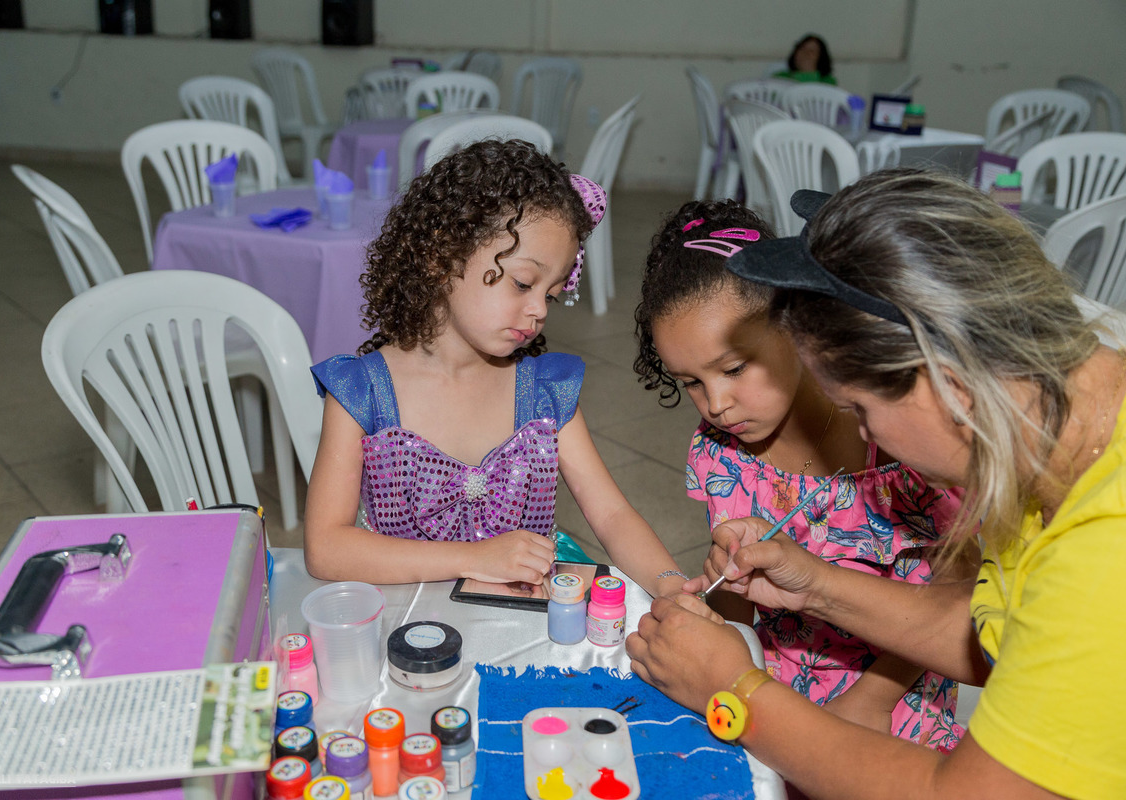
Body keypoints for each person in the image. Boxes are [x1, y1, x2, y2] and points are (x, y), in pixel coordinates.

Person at [627, 169, 1126, 799]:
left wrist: (739, 690)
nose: (870, 442)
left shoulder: (1104, 555)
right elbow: (993, 629)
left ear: (948, 381)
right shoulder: (1062, 444)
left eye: (860, 410)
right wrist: (815, 584)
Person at [632, 198, 965, 751]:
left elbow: (956, 605)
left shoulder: (898, 437)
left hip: (896, 689)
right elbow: (743, 610)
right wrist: (716, 610)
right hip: (769, 680)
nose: (715, 404)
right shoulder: (722, 455)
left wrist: (870, 701)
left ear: (794, 325)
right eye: (690, 381)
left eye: (734, 369)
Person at [303, 139, 689, 599]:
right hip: (411, 621)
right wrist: (472, 559)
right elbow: (325, 548)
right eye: (523, 282)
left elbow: (611, 515)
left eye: (550, 294)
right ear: (441, 256)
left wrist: (671, 588)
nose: (539, 311)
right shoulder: (361, 392)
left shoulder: (545, 392)